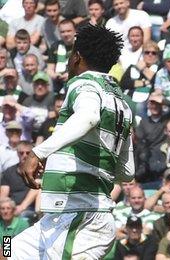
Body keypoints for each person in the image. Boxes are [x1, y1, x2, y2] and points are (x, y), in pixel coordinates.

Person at [14, 24, 134, 259]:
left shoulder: (84, 83)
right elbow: (127, 171)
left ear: (76, 57)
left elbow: (88, 117)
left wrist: (38, 152)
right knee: (6, 248)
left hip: (81, 217)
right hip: (61, 218)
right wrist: (66, 159)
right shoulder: (123, 105)